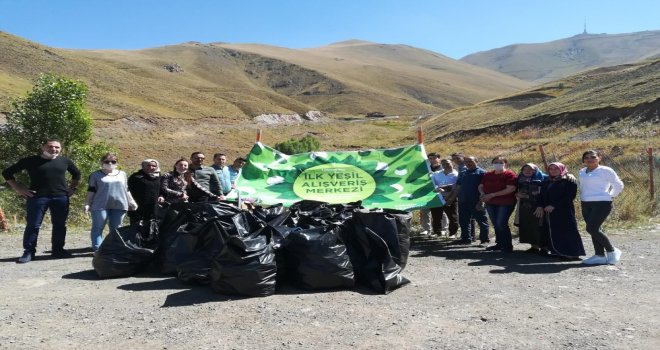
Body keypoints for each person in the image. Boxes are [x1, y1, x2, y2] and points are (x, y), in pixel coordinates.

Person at [2, 139, 81, 263]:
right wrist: (19, 188)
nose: (54, 149)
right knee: (33, 225)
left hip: (60, 197)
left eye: (57, 147)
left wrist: (73, 188)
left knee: (60, 225)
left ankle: (58, 250)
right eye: (50, 146)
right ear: (43, 147)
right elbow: (7, 173)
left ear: (60, 149)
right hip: (37, 197)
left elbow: (76, 174)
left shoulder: (64, 161)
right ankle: (29, 252)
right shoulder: (30, 161)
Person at [579, 150, 624, 265]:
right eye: (587, 157)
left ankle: (612, 250)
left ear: (599, 158)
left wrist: (610, 195)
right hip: (585, 203)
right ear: (584, 160)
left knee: (591, 229)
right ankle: (599, 255)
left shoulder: (605, 170)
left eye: (593, 157)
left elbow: (618, 184)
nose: (590, 159)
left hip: (602, 203)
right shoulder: (582, 171)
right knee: (595, 230)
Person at [84, 153, 138, 251]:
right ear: (102, 162)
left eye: (113, 162)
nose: (110, 163)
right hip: (99, 205)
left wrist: (132, 201)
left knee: (116, 229)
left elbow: (126, 189)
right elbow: (91, 190)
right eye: (107, 161)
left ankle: (114, 248)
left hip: (119, 204)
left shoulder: (122, 174)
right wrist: (87, 203)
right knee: (98, 227)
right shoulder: (95, 175)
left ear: (117, 163)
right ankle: (98, 249)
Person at [534, 162, 585, 259]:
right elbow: (541, 196)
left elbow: (569, 197)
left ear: (562, 169)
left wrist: (554, 205)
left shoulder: (569, 181)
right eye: (551, 169)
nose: (553, 171)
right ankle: (556, 251)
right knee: (553, 231)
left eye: (556, 168)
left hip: (564, 210)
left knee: (567, 231)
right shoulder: (547, 182)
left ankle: (572, 254)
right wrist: (540, 206)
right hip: (549, 211)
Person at [446, 156, 489, 244]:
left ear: (476, 161)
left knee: (481, 221)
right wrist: (452, 198)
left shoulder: (482, 173)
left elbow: (485, 189)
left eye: (471, 161)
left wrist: (482, 201)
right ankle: (466, 239)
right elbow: (458, 187)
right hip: (463, 201)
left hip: (476, 201)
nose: (468, 163)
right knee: (464, 221)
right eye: (466, 162)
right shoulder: (463, 172)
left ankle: (484, 240)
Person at [478, 156, 517, 252]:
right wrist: (483, 194)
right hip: (490, 203)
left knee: (501, 224)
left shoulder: (509, 174)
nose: (498, 164)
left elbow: (511, 188)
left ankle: (507, 246)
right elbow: (480, 186)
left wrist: (492, 195)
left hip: (505, 203)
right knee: (496, 224)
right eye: (495, 162)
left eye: (500, 162)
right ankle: (499, 244)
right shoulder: (488, 174)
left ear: (505, 164)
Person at [516, 163, 548, 253]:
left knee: (540, 226)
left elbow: (545, 194)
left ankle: (544, 247)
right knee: (528, 225)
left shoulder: (544, 178)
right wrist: (516, 194)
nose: (527, 171)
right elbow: (515, 189)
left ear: (536, 170)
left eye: (531, 169)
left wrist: (541, 205)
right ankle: (534, 246)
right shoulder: (519, 178)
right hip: (525, 206)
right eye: (525, 169)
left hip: (538, 206)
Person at [419, 152, 447, 236]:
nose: (432, 160)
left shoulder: (443, 168)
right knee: (424, 211)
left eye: (434, 158)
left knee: (441, 212)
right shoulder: (426, 168)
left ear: (439, 158)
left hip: (439, 192)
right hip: (427, 192)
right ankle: (426, 229)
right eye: (430, 158)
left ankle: (444, 228)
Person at [127, 159, 161, 226]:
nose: (151, 167)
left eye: (153, 166)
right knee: (136, 228)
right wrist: (130, 203)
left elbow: (161, 188)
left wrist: (161, 196)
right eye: (148, 165)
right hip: (138, 207)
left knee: (151, 227)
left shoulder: (158, 176)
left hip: (153, 207)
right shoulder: (136, 177)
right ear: (143, 166)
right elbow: (128, 190)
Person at [431, 158, 459, 237]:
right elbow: (431, 183)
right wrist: (436, 187)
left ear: (452, 163)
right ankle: (437, 232)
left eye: (447, 163)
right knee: (436, 216)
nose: (446, 166)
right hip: (438, 197)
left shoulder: (457, 175)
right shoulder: (436, 174)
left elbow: (456, 186)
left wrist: (445, 187)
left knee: (453, 217)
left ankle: (452, 233)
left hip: (451, 198)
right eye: (443, 164)